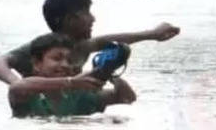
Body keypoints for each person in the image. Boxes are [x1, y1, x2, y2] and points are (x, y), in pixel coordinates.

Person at [0, 0, 180, 85]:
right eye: (87, 13)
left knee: (119, 51)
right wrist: (17, 84)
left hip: (72, 100)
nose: (93, 19)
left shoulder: (80, 46)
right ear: (70, 20)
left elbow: (108, 39)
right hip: (43, 105)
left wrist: (152, 34)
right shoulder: (41, 48)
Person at [8, 33, 136, 118]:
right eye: (57, 58)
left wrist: (107, 72)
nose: (65, 64)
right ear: (36, 63)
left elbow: (126, 98)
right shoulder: (27, 95)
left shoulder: (79, 96)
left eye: (69, 60)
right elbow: (17, 86)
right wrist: (71, 82)